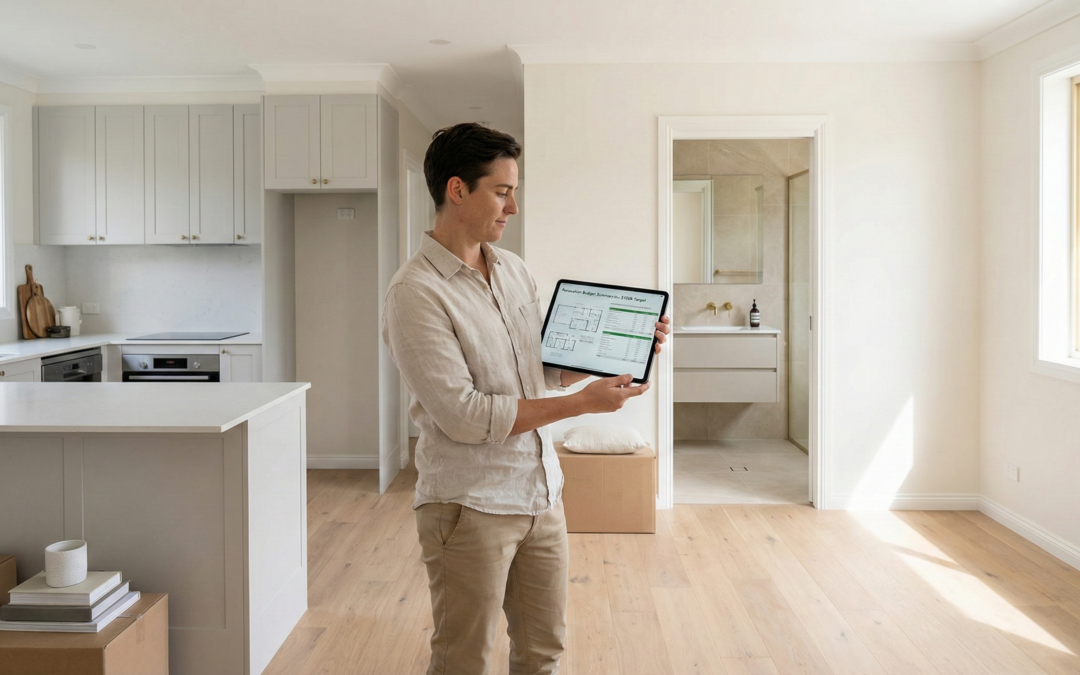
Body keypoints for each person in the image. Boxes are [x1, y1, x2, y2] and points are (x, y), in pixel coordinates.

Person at [381, 122, 670, 675]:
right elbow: (466, 416)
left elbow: (536, 368)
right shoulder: (414, 293)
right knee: (463, 661)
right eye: (502, 192)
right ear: (457, 189)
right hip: (469, 507)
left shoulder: (511, 269)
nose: (513, 207)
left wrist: (620, 350)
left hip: (541, 494)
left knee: (543, 653)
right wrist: (583, 404)